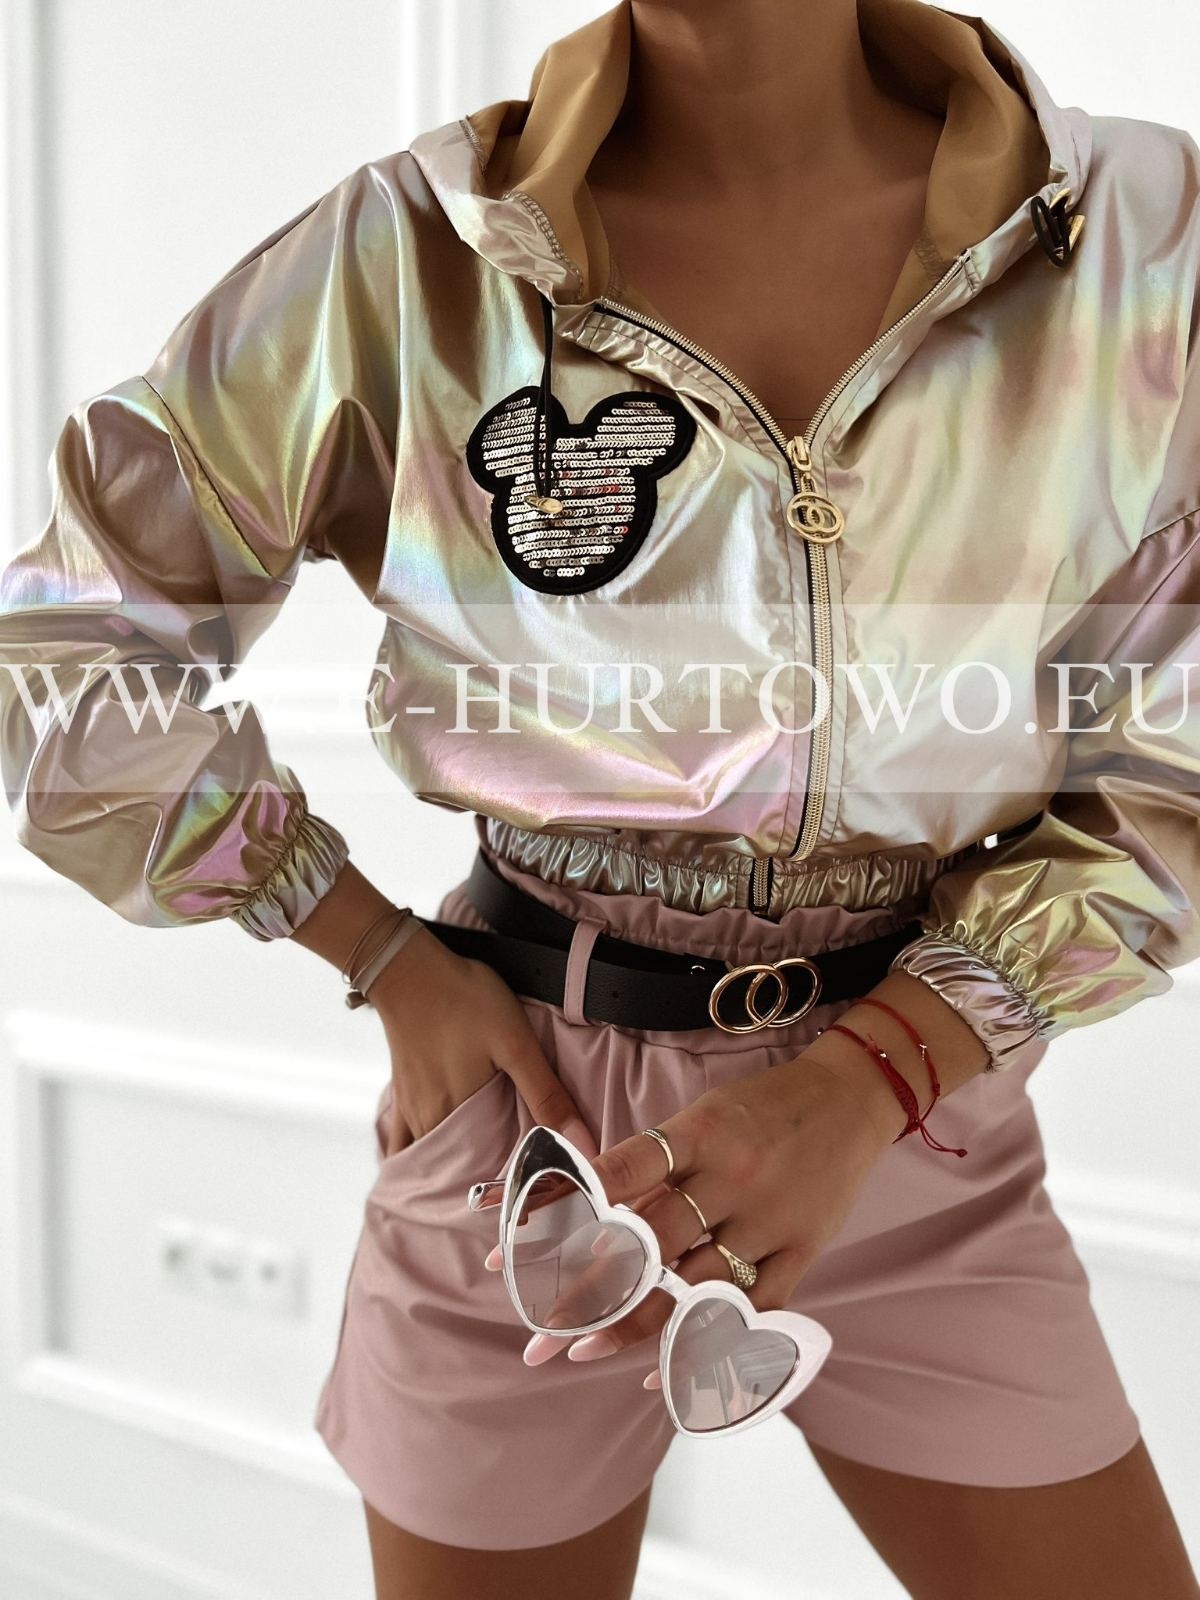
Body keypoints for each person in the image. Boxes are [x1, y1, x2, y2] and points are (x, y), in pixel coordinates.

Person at [1, 0, 1198, 1595]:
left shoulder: (1137, 239)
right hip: (528, 1134)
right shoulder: (412, 259)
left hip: (917, 1105)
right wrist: (372, 946)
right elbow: (68, 650)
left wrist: (872, 1082)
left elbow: (1180, 760)